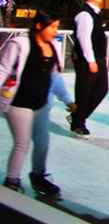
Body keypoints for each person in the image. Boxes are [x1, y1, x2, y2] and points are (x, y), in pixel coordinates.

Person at [0, 12, 75, 196]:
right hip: (19, 103)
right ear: (39, 26)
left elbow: (55, 78)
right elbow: (3, 69)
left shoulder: (53, 46)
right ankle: (12, 180)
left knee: (42, 143)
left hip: (41, 105)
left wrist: (68, 100)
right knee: (22, 144)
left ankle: (38, 176)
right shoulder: (20, 44)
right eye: (52, 27)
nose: (55, 31)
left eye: (57, 27)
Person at [70, 0, 109, 139]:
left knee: (102, 89)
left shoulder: (96, 14)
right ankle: (78, 123)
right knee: (84, 92)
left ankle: (78, 117)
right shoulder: (85, 15)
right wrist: (91, 60)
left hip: (99, 59)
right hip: (87, 60)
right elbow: (83, 38)